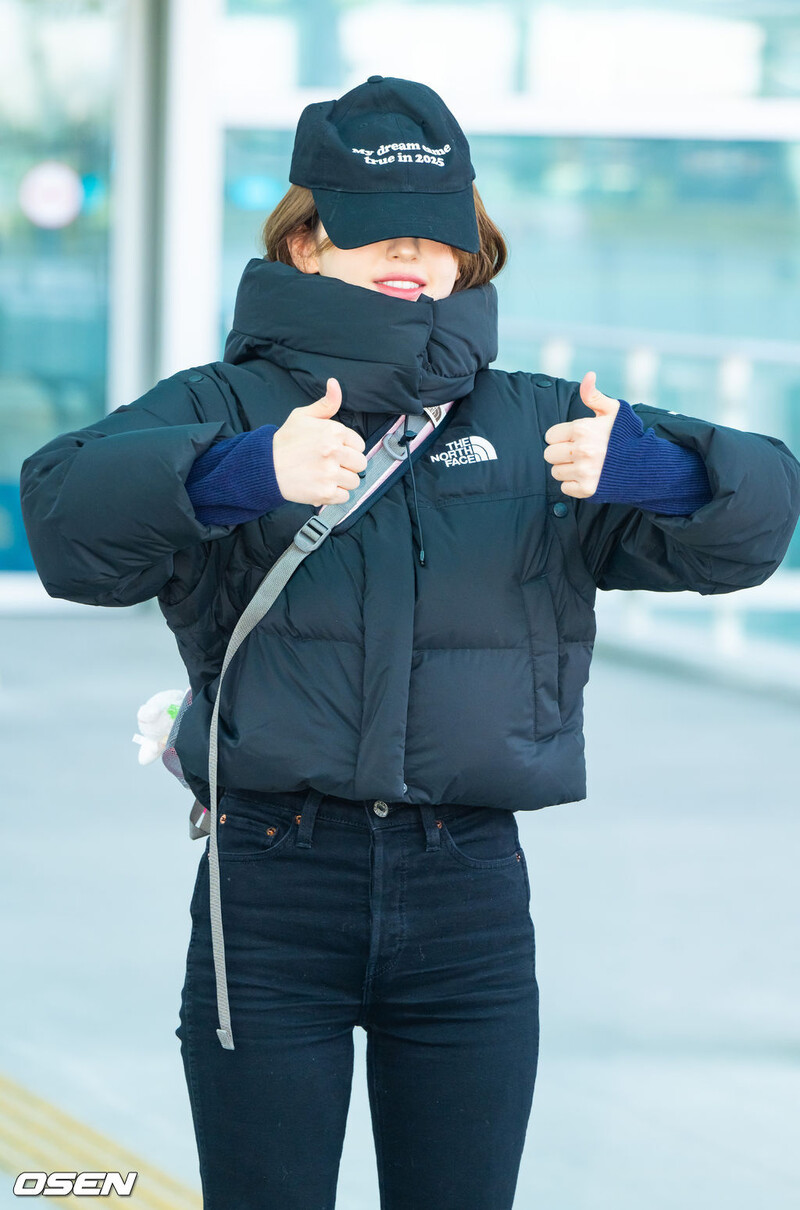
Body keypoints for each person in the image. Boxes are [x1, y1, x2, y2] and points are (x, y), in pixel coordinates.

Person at [19, 75, 800, 1210]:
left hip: (468, 890)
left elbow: (759, 518)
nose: (412, 254)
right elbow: (65, 523)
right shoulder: (225, 409)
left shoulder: (536, 422)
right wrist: (242, 473)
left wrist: (657, 470)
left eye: (439, 234)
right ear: (300, 241)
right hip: (270, 885)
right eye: (373, 225)